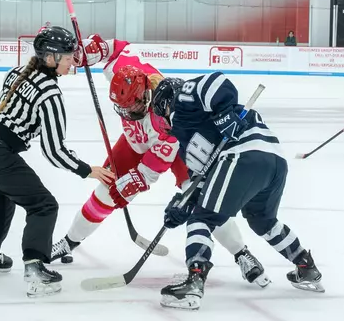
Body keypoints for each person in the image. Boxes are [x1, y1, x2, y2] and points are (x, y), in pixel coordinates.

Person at [50, 35, 269, 288]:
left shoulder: (170, 115)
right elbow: (119, 48)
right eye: (122, 109)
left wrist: (138, 179)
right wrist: (92, 50)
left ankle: (242, 253)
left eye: (132, 109)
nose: (126, 114)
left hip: (178, 148)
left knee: (200, 199)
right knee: (106, 191)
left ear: (145, 97)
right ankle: (69, 241)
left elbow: (158, 161)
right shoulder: (125, 73)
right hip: (135, 142)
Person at [150, 73, 325, 310]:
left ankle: (194, 283)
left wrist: (224, 112)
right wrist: (183, 202)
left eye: (160, 111)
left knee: (202, 219)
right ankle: (305, 266)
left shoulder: (183, 103)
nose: (161, 119)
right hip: (274, 161)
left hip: (243, 155)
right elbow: (204, 181)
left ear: (166, 103)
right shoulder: (189, 140)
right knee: (262, 221)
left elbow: (215, 82)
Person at [0, 26, 114, 298]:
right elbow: (54, 151)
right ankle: (35, 268)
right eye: (67, 56)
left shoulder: (17, 71)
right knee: (44, 205)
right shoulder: (50, 94)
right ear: (50, 58)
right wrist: (87, 170)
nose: (73, 61)